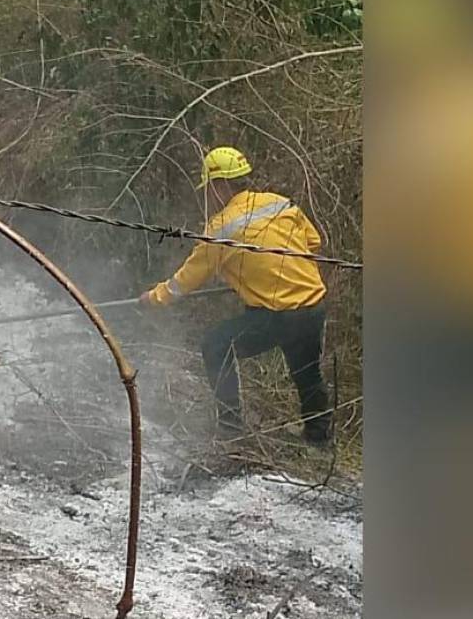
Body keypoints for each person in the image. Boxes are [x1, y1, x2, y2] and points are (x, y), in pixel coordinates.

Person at [140, 146, 332, 444]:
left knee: (216, 346)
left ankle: (231, 429)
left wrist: (154, 298)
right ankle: (319, 440)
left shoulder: (221, 228)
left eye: (209, 189)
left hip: (276, 315)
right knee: (306, 374)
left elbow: (187, 279)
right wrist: (260, 273)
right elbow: (313, 242)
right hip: (312, 308)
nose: (207, 196)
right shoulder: (281, 203)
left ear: (220, 186)